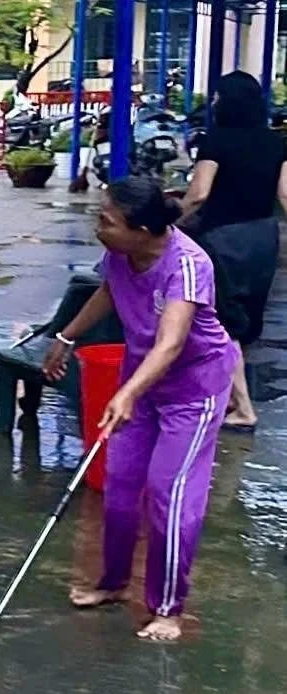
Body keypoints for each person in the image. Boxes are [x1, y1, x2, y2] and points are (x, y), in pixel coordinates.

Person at [44, 178, 236, 642]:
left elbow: (170, 344)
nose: (98, 227)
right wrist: (67, 337)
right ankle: (111, 583)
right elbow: (109, 290)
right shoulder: (120, 254)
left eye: (106, 221)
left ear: (144, 229)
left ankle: (167, 608)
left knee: (169, 492)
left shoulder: (188, 266)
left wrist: (126, 392)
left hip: (194, 387)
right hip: (141, 379)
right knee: (121, 485)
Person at [177, 70, 287, 431]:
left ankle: (242, 407)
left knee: (223, 322)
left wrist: (170, 226)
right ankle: (227, 397)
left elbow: (199, 194)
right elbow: (285, 196)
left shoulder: (216, 141)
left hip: (224, 239)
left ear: (228, 102)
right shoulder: (276, 143)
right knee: (245, 321)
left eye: (218, 97)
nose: (213, 103)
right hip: (263, 237)